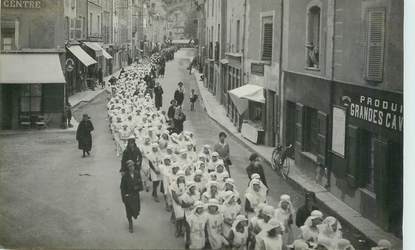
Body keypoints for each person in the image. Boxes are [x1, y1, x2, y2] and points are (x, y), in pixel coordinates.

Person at [120, 161, 143, 233]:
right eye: (129, 166)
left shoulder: (137, 174)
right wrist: (124, 197)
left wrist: (138, 187)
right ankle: (130, 224)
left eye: (132, 166)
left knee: (136, 210)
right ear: (127, 168)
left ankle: (134, 215)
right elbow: (122, 188)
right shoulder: (125, 176)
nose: (131, 168)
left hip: (135, 195)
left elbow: (140, 184)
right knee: (129, 211)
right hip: (128, 196)